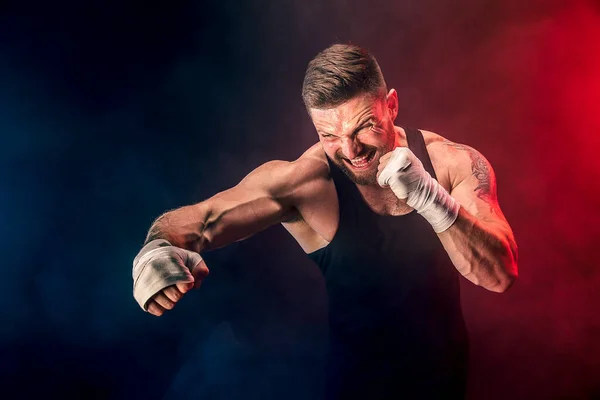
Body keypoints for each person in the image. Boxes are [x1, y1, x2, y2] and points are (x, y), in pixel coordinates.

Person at [132, 43, 518, 399]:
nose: (350, 151)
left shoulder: (451, 164)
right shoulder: (307, 182)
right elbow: (200, 223)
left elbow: (498, 275)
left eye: (363, 126)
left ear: (392, 105)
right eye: (329, 135)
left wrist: (429, 196)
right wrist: (154, 248)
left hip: (445, 386)